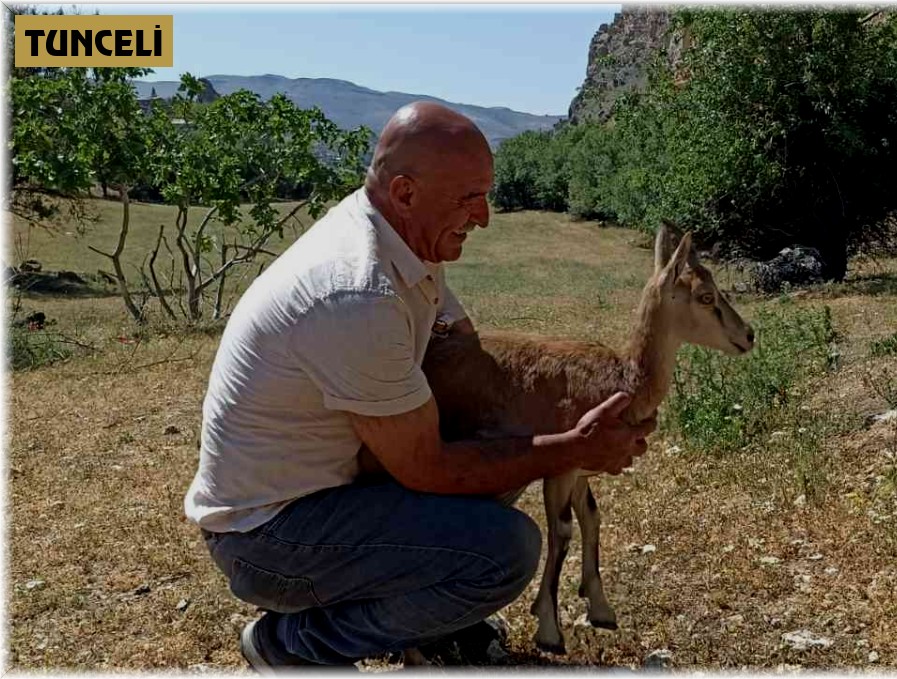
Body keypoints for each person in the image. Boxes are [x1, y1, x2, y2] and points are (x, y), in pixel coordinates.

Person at [183, 101, 656, 671]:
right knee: (503, 550)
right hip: (271, 539)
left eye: (486, 194)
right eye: (468, 198)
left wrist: (568, 400)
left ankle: (431, 622)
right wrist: (575, 446)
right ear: (405, 192)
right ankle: (295, 644)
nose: (483, 217)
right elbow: (428, 468)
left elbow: (469, 358)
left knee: (494, 456)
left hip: (327, 498)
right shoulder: (356, 292)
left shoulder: (405, 244)